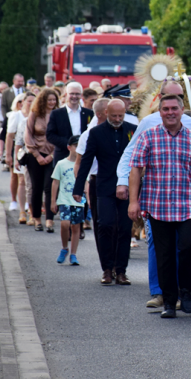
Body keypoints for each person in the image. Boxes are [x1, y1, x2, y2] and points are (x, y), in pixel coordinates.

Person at [128, 94, 191, 318]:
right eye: (166, 109)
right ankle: (169, 302)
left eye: (174, 108)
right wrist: (133, 201)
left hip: (188, 205)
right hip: (158, 206)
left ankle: (186, 291)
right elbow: (135, 169)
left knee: (189, 247)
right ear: (159, 112)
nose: (170, 112)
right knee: (164, 255)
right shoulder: (148, 137)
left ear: (182, 111)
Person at [73, 100, 136, 285]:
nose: (117, 119)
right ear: (106, 112)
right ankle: (107, 269)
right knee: (106, 225)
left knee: (125, 229)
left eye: (120, 116)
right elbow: (86, 161)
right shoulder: (95, 133)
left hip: (127, 185)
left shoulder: (133, 130)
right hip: (104, 185)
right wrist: (78, 188)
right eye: (114, 115)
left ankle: (121, 270)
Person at [25, 88, 59, 232]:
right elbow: (28, 134)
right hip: (35, 155)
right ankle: (37, 219)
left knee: (49, 187)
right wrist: (37, 155)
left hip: (52, 155)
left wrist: (51, 156)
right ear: (43, 101)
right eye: (49, 100)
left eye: (54, 100)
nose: (52, 102)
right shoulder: (34, 114)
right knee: (36, 187)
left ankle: (50, 220)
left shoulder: (58, 115)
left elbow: (61, 136)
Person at [74, 98, 109, 237]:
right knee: (101, 221)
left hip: (117, 180)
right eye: (109, 111)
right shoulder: (87, 135)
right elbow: (78, 163)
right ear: (100, 114)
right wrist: (83, 185)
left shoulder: (121, 131)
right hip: (95, 181)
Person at [52, 135, 84, 266]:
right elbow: (55, 183)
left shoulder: (83, 165)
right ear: (69, 147)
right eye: (76, 146)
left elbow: (86, 182)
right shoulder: (61, 164)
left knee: (76, 227)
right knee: (65, 224)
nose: (78, 149)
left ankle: (73, 254)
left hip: (78, 200)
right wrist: (53, 201)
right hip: (64, 199)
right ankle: (64, 248)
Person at [47, 82, 93, 165]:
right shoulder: (56, 113)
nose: (74, 96)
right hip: (62, 155)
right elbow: (50, 135)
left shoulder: (89, 113)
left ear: (81, 95)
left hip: (84, 156)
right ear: (66, 95)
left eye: (77, 94)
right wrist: (69, 144)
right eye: (72, 94)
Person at [10, 93, 35, 223]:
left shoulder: (42, 117)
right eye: (29, 101)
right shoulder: (22, 119)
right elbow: (18, 141)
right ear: (24, 102)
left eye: (33, 101)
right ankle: (22, 211)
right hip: (24, 155)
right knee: (22, 182)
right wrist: (14, 158)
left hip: (37, 156)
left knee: (34, 185)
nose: (31, 103)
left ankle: (32, 212)